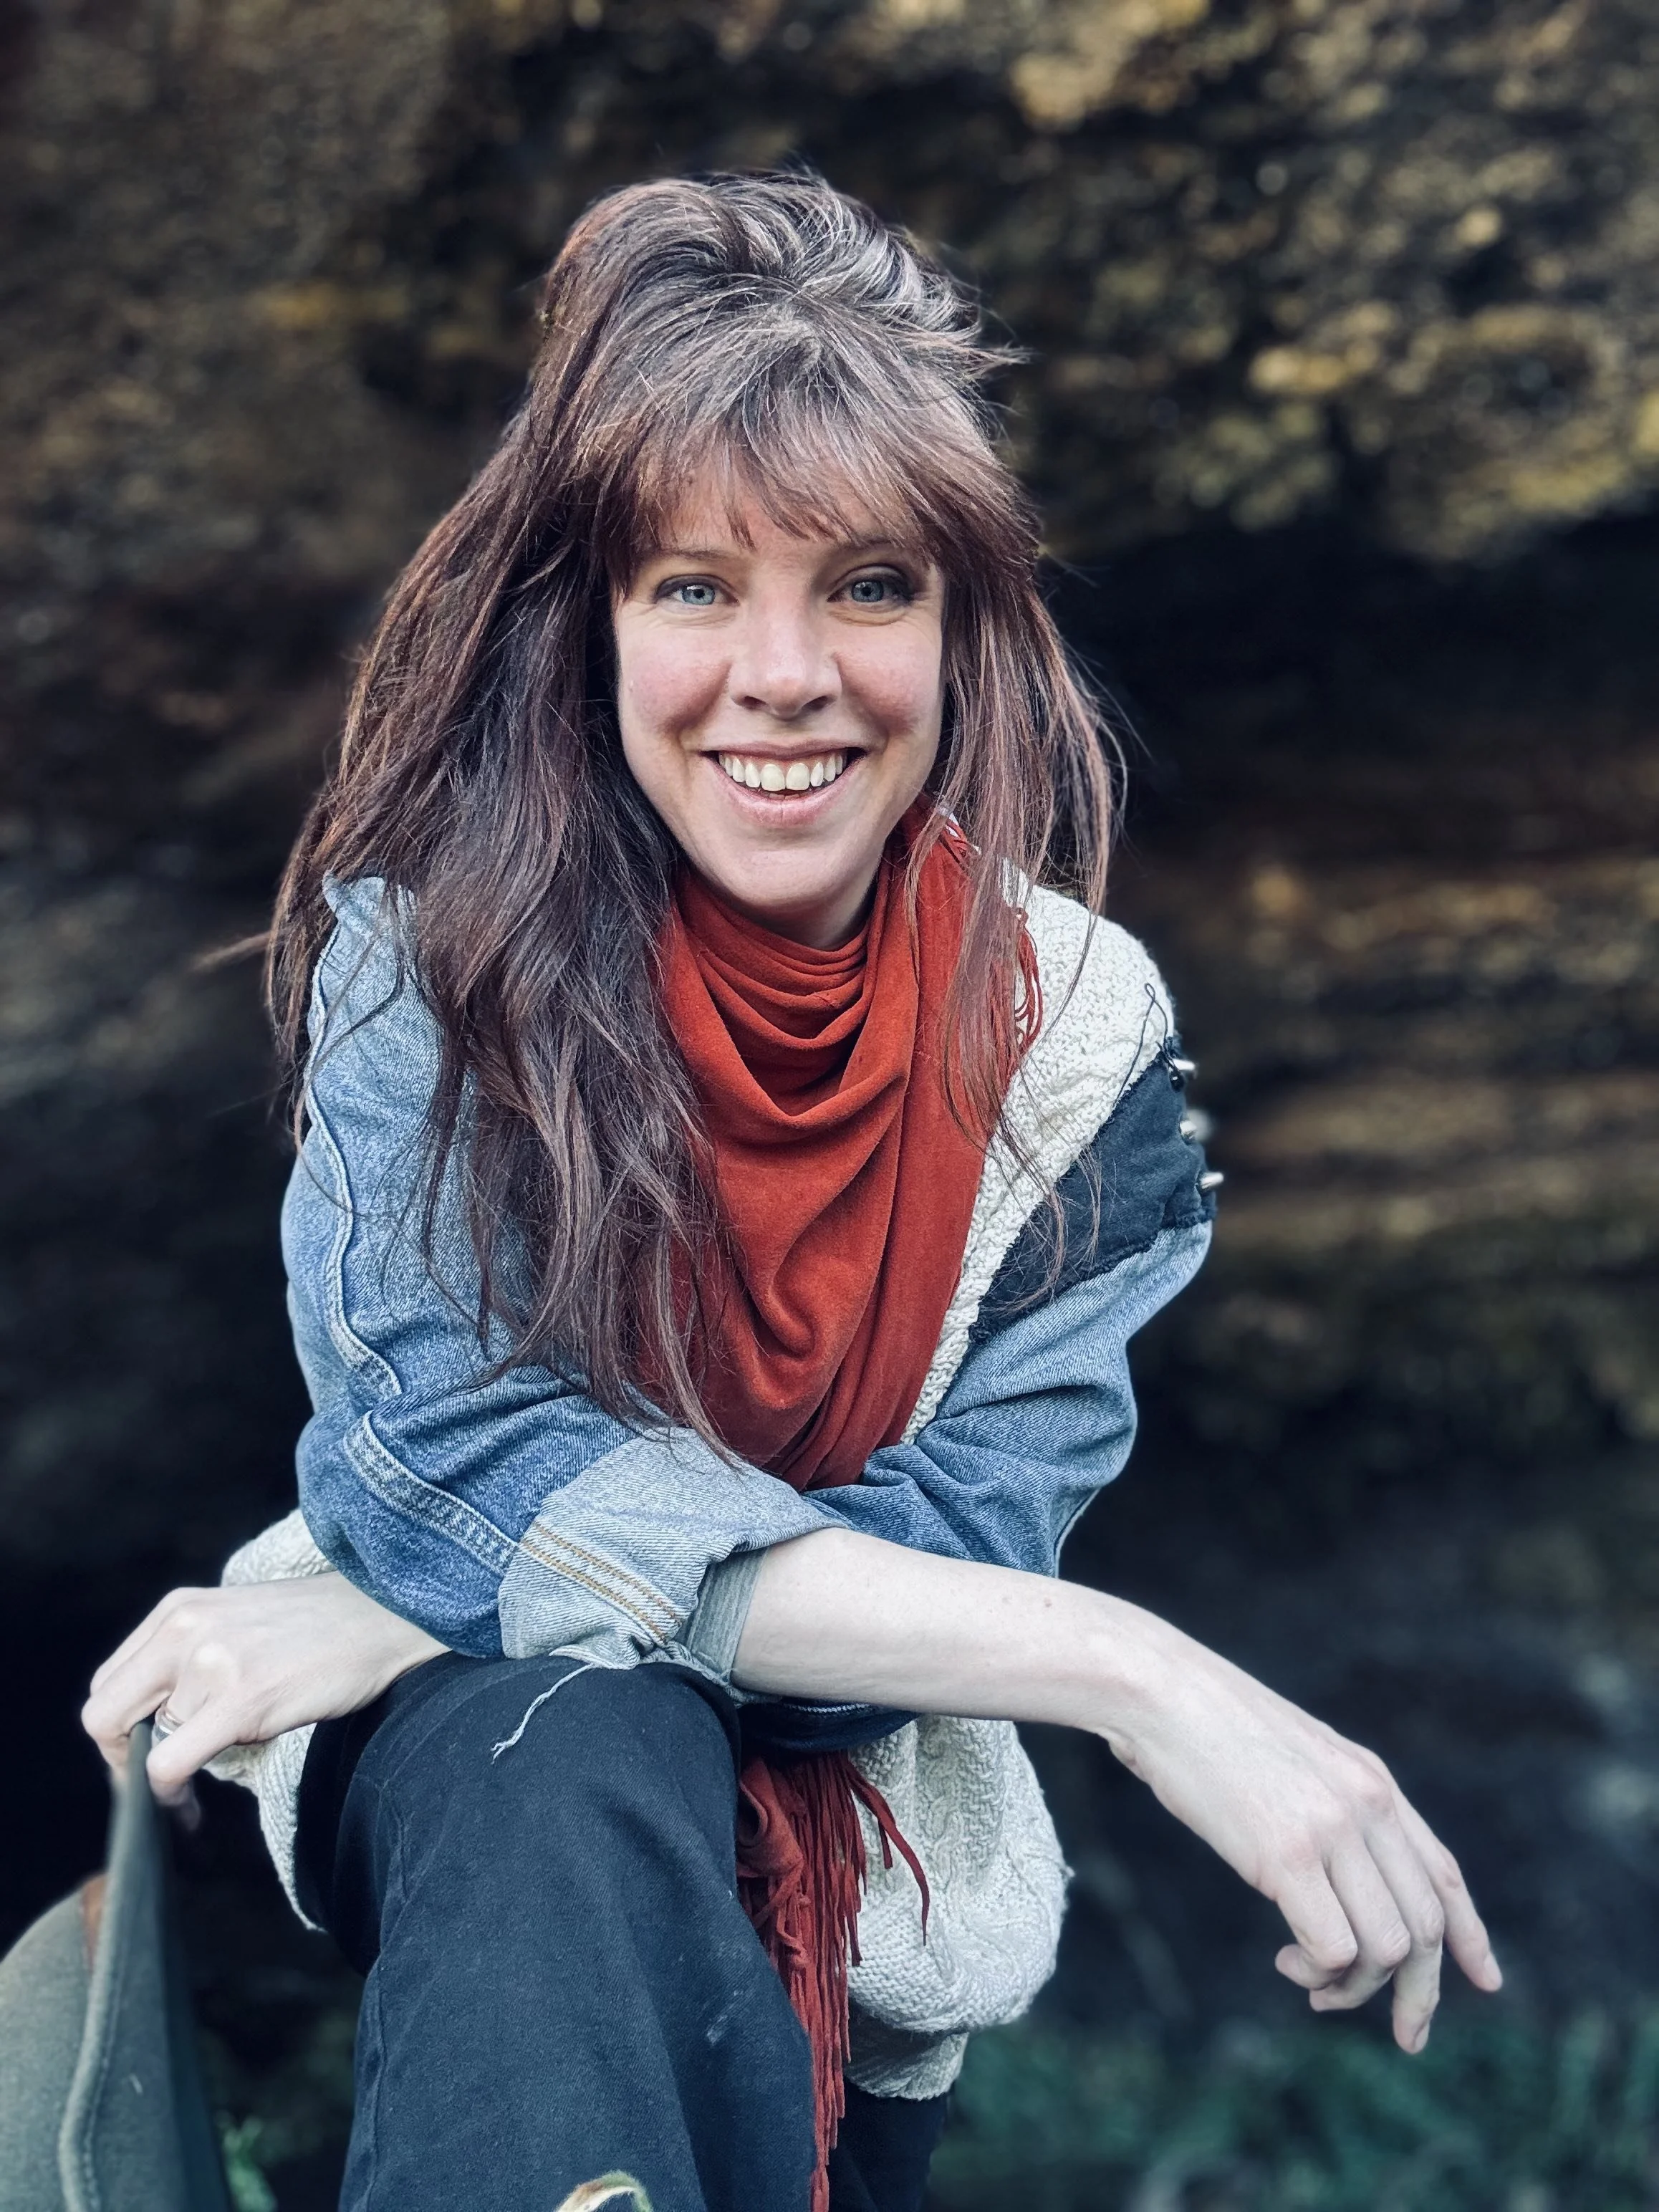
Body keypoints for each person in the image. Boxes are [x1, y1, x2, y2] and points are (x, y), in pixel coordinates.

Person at [82, 173, 1501, 2212]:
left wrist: (413, 1613)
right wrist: (1142, 1676)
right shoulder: (435, 966)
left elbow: (927, 1556)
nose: (783, 673)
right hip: (516, 1847)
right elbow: (454, 1462)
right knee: (567, 1735)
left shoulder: (1073, 1041)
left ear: (960, 626)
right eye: (687, 586)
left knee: (551, 1669)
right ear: (587, 629)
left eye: (864, 585)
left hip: (865, 1893)